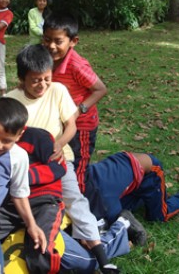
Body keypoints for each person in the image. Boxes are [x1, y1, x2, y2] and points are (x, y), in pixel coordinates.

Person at [7, 44, 131, 274]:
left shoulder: (58, 91)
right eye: (35, 80)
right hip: (26, 166)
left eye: (46, 78)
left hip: (59, 159)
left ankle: (102, 257)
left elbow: (71, 124)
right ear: (22, 78)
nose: (42, 85)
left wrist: (60, 143)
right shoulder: (10, 100)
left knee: (74, 199)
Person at [42, 12, 108, 220]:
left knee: (78, 169)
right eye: (47, 40)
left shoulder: (76, 64)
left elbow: (100, 89)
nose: (52, 46)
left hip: (83, 127)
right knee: (64, 163)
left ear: (73, 41)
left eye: (58, 41)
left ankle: (90, 216)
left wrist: (78, 110)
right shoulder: (48, 59)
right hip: (62, 125)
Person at [0, 98, 49, 273]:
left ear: (19, 135)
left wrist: (31, 224)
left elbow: (19, 193)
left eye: (6, 140)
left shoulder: (18, 157)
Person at [87, 152, 179, 225]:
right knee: (126, 206)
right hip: (125, 173)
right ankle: (153, 198)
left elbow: (117, 224)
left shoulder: (107, 202)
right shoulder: (78, 179)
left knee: (158, 216)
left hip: (150, 171)